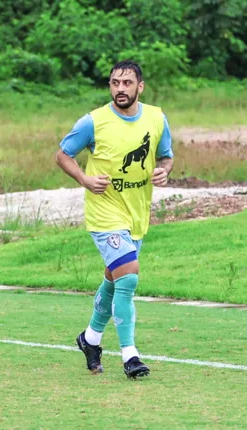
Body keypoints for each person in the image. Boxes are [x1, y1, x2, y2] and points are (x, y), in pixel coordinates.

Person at [54, 60, 173, 379]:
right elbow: (63, 155)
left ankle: (90, 338)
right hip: (104, 212)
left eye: (127, 83)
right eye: (114, 83)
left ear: (140, 87)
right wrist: (84, 179)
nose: (120, 88)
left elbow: (166, 155)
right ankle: (130, 354)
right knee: (129, 277)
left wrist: (164, 170)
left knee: (114, 278)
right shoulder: (93, 121)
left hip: (137, 212)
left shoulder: (156, 117)